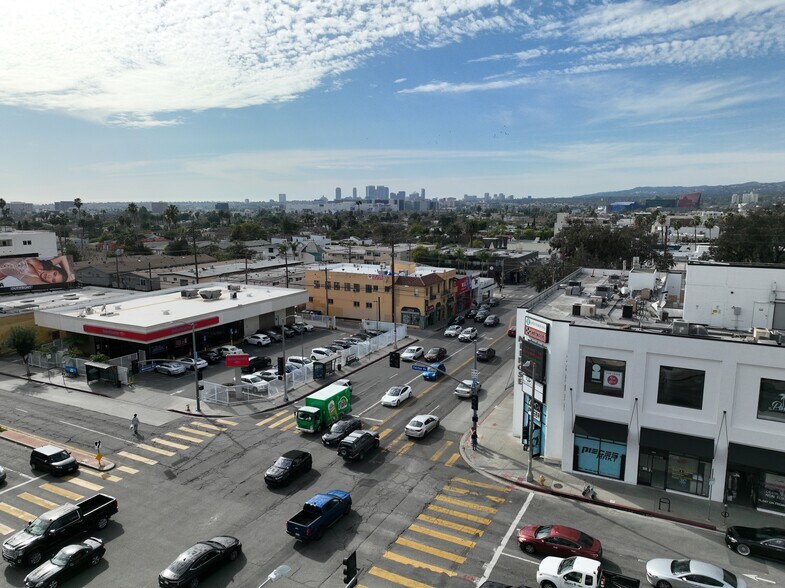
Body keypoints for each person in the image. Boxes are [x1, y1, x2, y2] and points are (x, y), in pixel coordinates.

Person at [0, 255, 74, 286]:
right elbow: (62, 257)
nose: (49, 276)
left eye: (53, 280)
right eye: (54, 274)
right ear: (53, 269)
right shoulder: (44, 264)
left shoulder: (35, 280)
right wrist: (69, 275)